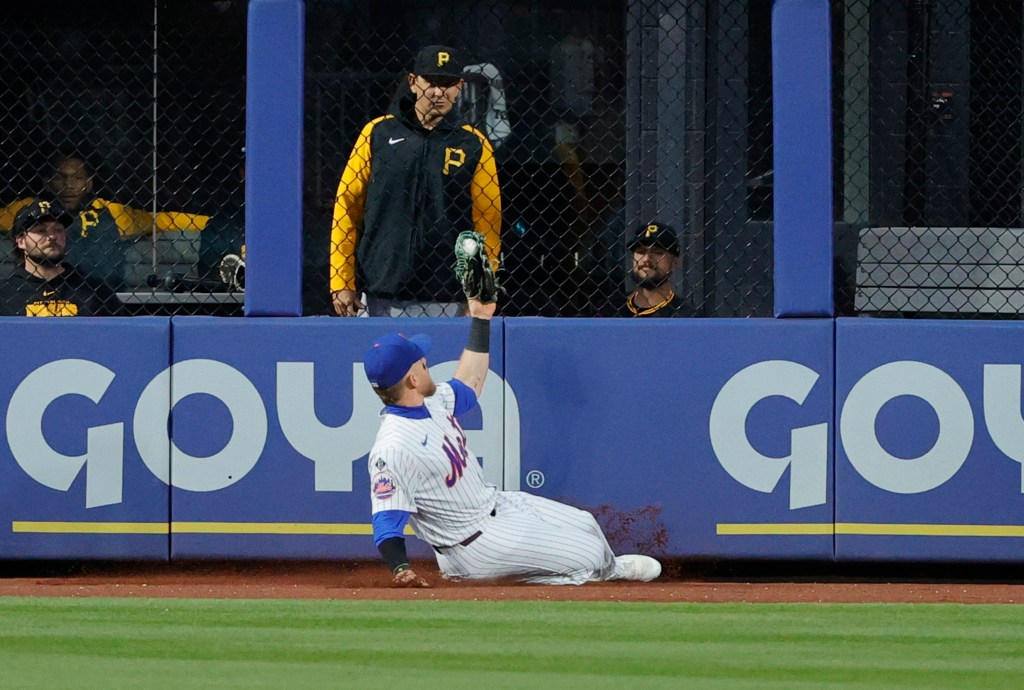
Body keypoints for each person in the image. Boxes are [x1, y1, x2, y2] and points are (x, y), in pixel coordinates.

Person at [363, 297, 662, 586]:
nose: (427, 361)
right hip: (474, 545)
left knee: (586, 523)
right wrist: (401, 570)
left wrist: (480, 319)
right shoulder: (394, 446)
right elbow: (387, 519)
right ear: (412, 380)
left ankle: (605, 568)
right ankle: (590, 572)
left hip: (496, 506)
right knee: (589, 554)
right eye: (422, 363)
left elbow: (469, 385)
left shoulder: (430, 401)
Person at [330, 45, 502, 317]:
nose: (438, 92)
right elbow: (347, 208)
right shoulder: (377, 133)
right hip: (380, 291)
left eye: (447, 84)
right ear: (413, 82)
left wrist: (481, 290)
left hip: (449, 294)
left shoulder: (473, 143)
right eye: (430, 82)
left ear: (459, 87)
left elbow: (487, 222)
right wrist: (341, 281)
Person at [0, 154, 211, 290]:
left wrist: (212, 222)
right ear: (47, 181)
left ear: (89, 184)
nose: (68, 185)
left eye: (77, 178)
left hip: (97, 295)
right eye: (60, 177)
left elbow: (165, 220)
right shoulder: (28, 209)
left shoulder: (110, 211)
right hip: (33, 288)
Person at [0, 200, 118, 316]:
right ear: (21, 241)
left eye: (58, 230)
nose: (52, 236)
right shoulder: (5, 293)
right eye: (40, 231)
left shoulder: (96, 292)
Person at [620, 221, 690, 318]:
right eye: (641, 251)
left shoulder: (686, 317)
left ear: (674, 261)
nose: (646, 259)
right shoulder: (609, 310)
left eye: (657, 252)